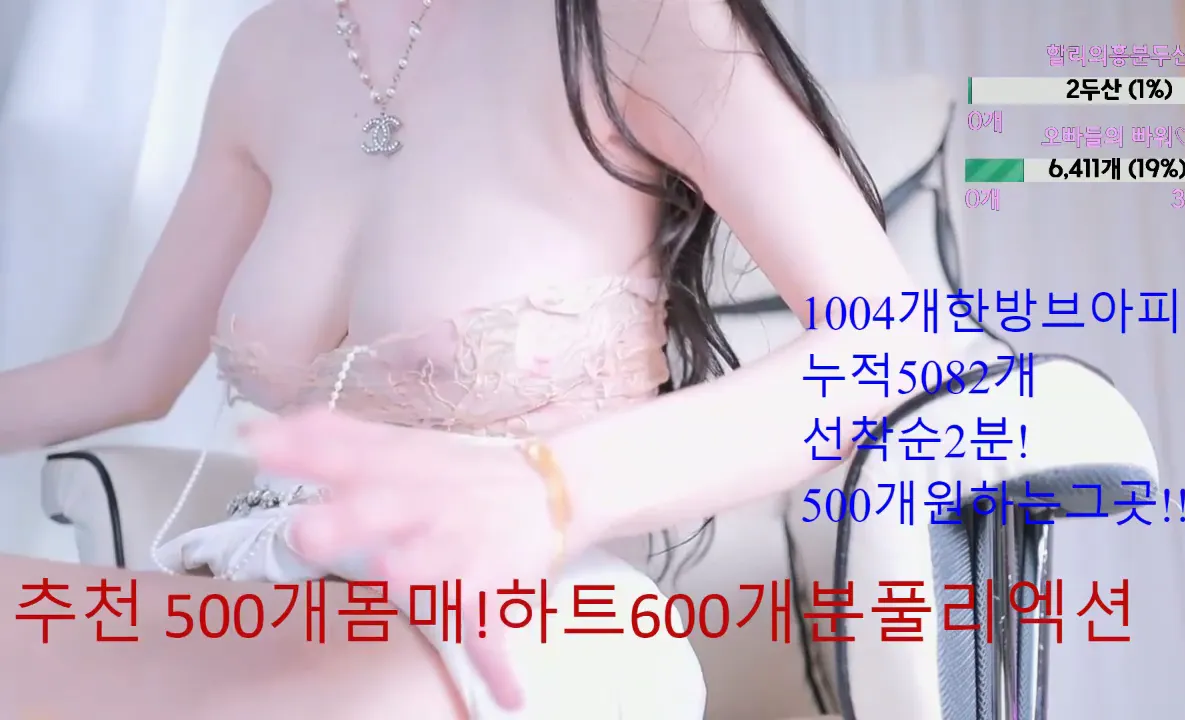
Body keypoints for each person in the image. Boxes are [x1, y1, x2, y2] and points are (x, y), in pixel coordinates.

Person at [0, 0, 948, 717]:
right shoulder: (268, 50)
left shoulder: (634, 21)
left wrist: (550, 489)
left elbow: (887, 343)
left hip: (525, 617)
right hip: (266, 587)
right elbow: (128, 371)